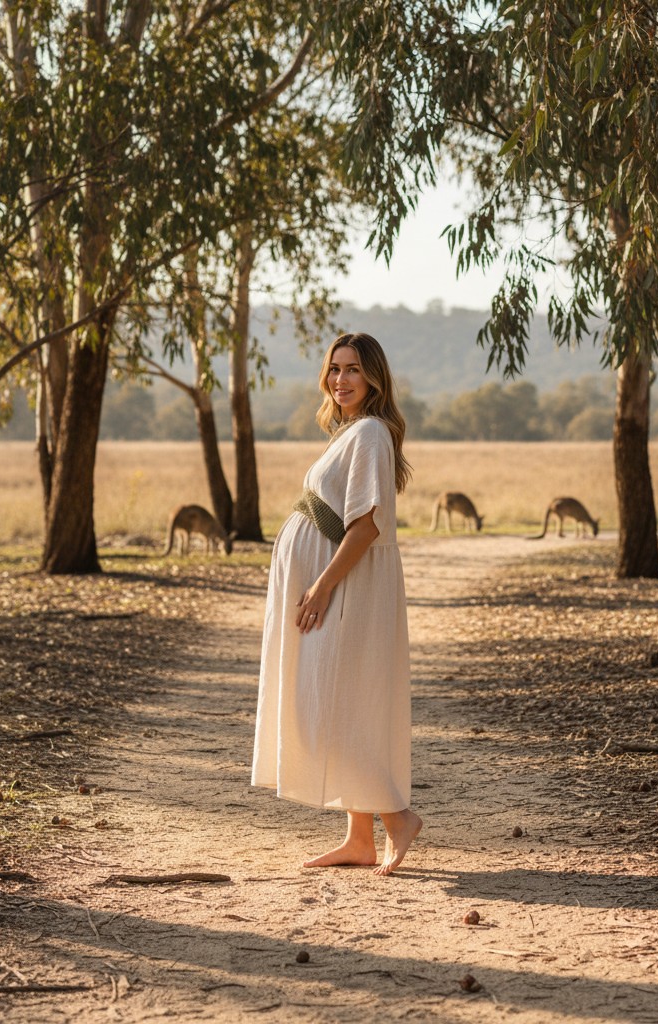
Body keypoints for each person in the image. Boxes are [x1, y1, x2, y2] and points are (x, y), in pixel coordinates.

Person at [251, 332, 422, 875]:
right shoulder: (351, 432)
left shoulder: (370, 432)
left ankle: (397, 817)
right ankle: (359, 839)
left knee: (330, 706)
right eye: (334, 368)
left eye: (352, 369)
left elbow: (367, 525)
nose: (340, 379)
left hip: (345, 591)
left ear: (373, 376)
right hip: (334, 587)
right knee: (336, 701)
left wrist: (322, 585)